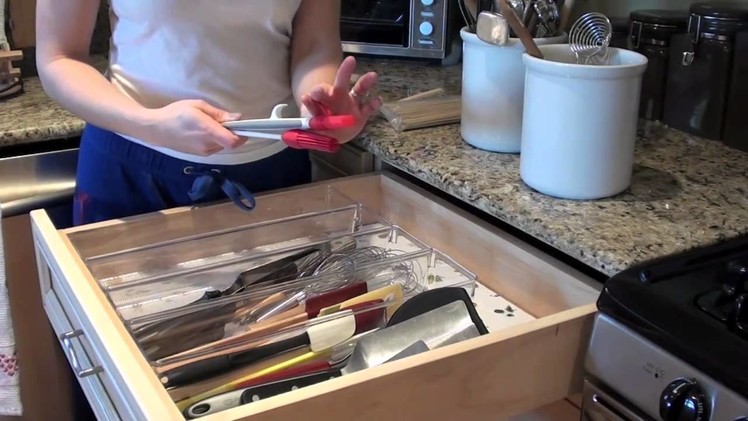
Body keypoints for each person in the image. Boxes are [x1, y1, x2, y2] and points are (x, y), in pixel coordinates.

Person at [36, 0, 383, 227]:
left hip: (273, 174)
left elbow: (314, 44)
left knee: (273, 335)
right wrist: (151, 124)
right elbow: (59, 57)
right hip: (135, 172)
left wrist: (319, 100)